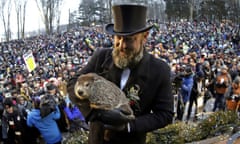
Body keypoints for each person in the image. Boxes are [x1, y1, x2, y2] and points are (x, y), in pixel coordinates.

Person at [67, 4, 174, 144]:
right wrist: (95, 113)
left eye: (129, 39)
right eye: (118, 37)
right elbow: (72, 83)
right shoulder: (101, 57)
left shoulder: (159, 70)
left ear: (145, 37)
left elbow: (165, 114)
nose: (122, 45)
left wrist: (128, 125)